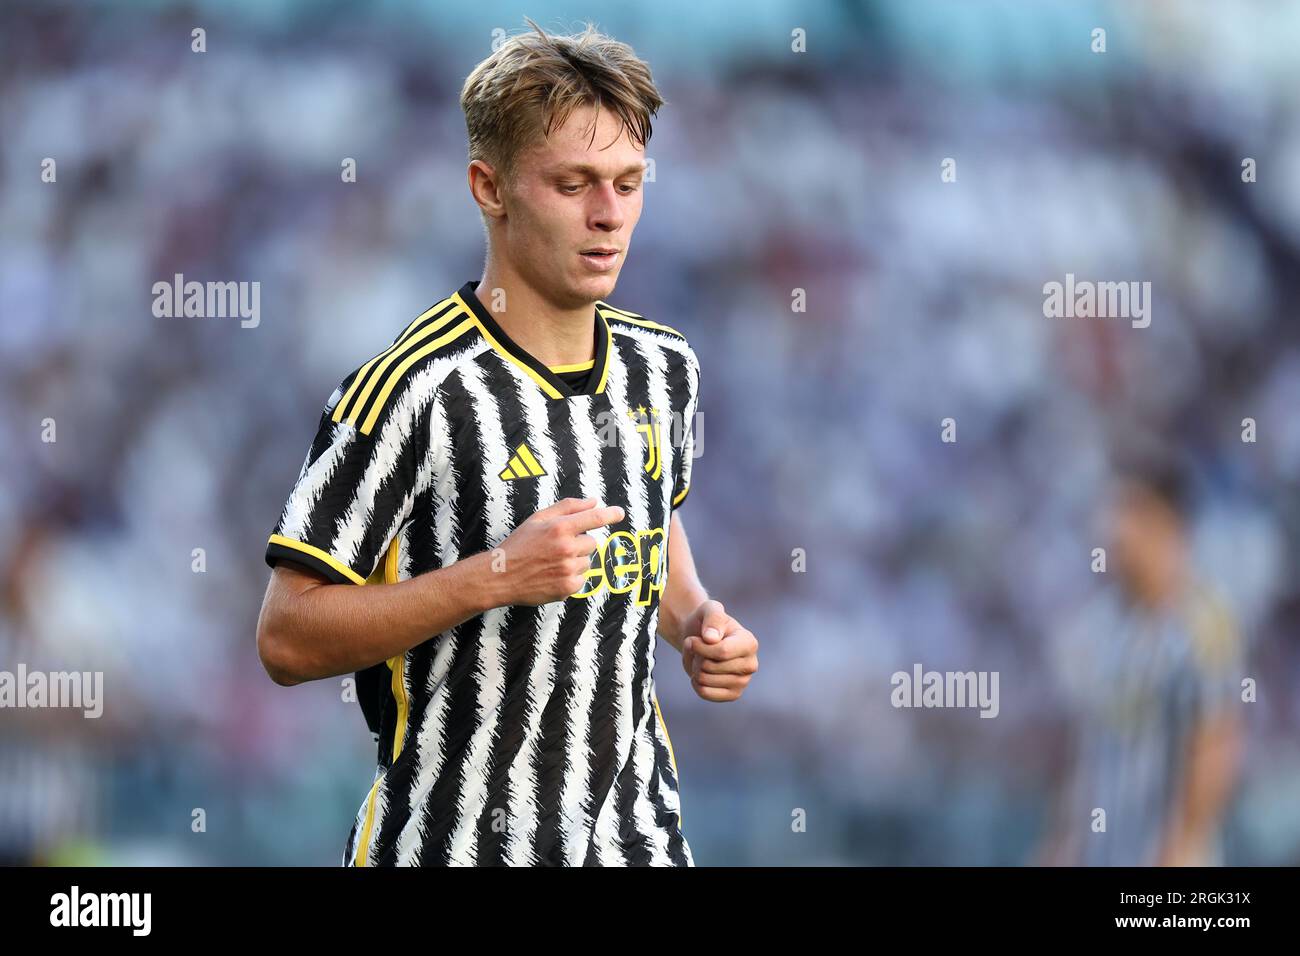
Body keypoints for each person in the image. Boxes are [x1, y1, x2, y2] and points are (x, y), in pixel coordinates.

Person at [254, 20, 758, 867]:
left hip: (640, 843)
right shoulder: (412, 389)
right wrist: (494, 576)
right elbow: (286, 638)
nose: (608, 216)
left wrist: (699, 619)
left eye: (629, 184)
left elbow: (646, 527)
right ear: (489, 187)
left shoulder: (664, 368)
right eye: (574, 184)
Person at [1039, 462, 1244, 866]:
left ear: (1167, 525)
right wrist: (1061, 845)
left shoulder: (1200, 625)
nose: (1114, 531)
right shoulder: (1103, 624)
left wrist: (1179, 849)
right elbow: (1088, 757)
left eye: (1130, 513)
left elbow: (1214, 749)